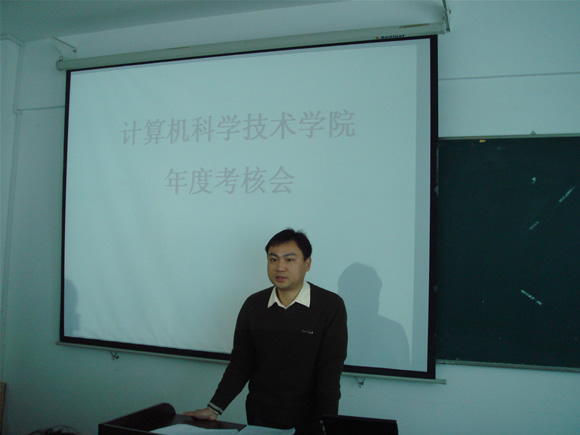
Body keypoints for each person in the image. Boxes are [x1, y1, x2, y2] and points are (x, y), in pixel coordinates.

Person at [185, 229, 348, 434]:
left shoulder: (329, 306)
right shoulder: (254, 305)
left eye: (289, 260)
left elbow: (330, 372)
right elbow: (241, 363)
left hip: (310, 419)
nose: (280, 267)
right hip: (260, 415)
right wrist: (214, 408)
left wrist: (329, 423)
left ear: (307, 264)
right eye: (273, 259)